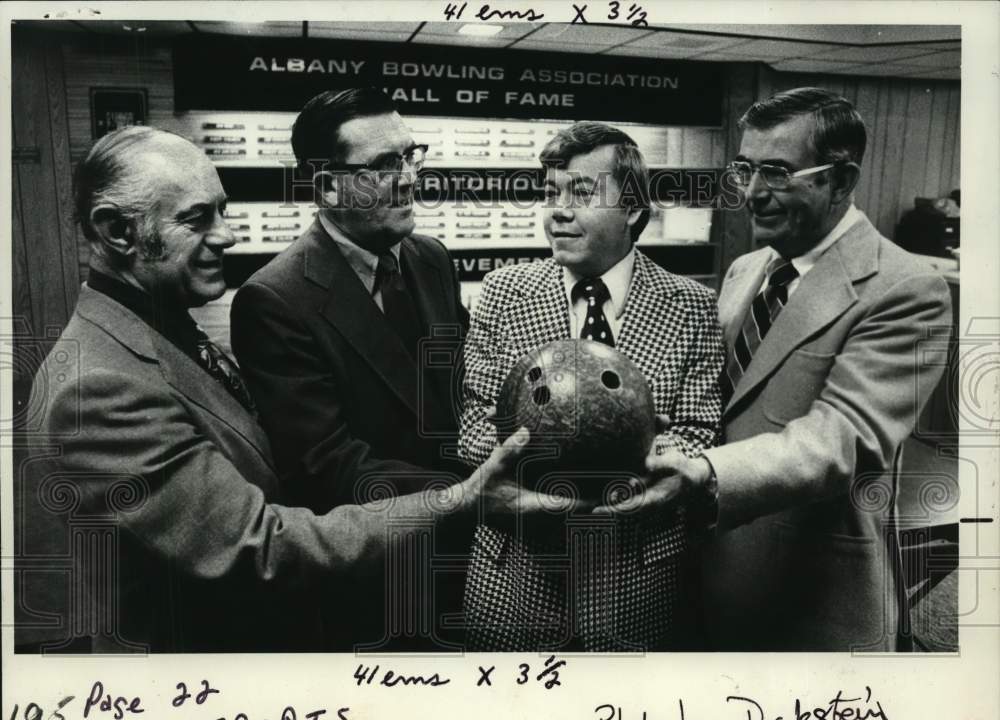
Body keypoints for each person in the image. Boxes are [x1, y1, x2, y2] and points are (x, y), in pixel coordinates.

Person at [21, 126, 563, 654]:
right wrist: (461, 499)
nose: (227, 236)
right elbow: (263, 546)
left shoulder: (159, 328)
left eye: (223, 211)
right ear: (117, 232)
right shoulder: (95, 391)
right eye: (196, 219)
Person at [605, 88, 953, 652]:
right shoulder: (749, 269)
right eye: (745, 169)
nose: (753, 193)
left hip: (809, 603)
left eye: (777, 172)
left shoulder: (906, 288)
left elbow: (843, 439)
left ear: (841, 180)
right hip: (704, 580)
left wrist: (705, 472)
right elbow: (721, 398)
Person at [459, 122, 725, 651]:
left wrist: (644, 468)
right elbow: (472, 428)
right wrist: (576, 467)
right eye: (550, 193)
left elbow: (699, 432)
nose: (558, 210)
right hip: (517, 574)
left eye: (581, 193)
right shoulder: (502, 293)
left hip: (636, 576)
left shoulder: (691, 306)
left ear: (631, 208)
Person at [230, 88, 468, 513]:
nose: (410, 179)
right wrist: (472, 493)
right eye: (383, 166)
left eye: (411, 156)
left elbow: (464, 389)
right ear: (328, 189)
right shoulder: (273, 302)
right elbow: (325, 466)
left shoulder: (433, 259)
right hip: (381, 554)